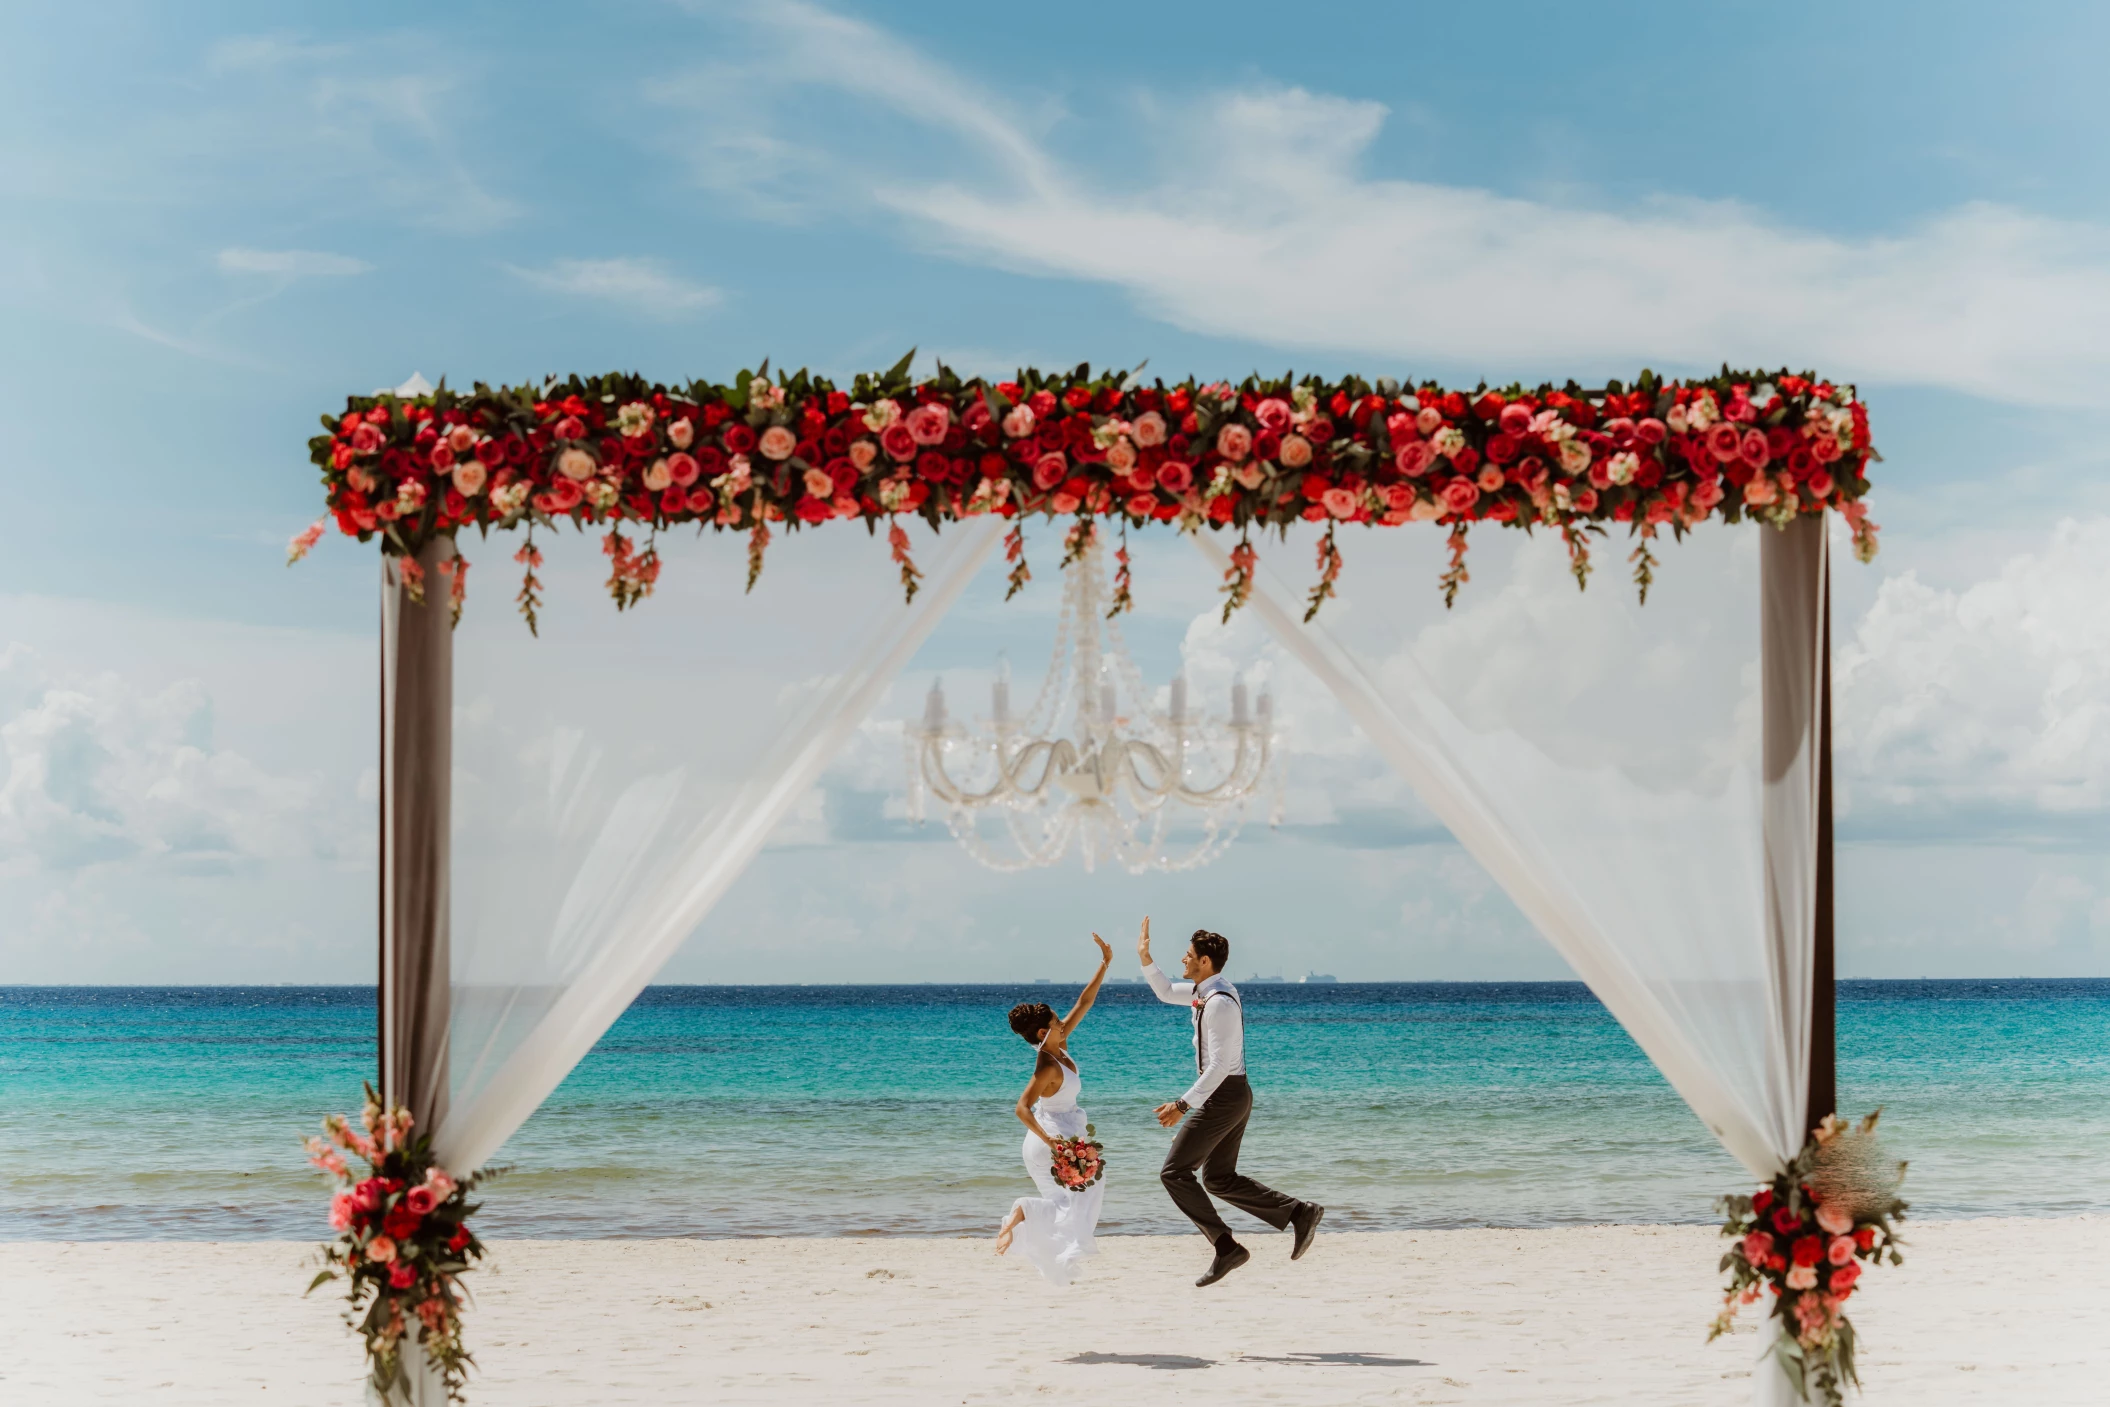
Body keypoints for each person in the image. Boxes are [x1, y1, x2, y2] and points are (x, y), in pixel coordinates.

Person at [1139, 916, 1323, 1287]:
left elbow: (1220, 1065)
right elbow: (1163, 991)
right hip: (1233, 1094)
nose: (1183, 960)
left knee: (1174, 1172)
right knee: (1219, 1179)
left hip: (1223, 1096)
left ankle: (1226, 1247)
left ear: (1205, 961)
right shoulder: (1206, 992)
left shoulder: (1220, 1001)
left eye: (1188, 955)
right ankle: (1299, 1213)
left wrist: (1182, 1104)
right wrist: (1145, 956)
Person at [994, 932, 1114, 1285]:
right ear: (1046, 1032)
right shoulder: (1046, 1064)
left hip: (1065, 1135)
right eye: (1059, 1020)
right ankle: (1020, 1213)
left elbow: (1085, 1001)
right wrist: (1053, 1144)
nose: (1065, 1021)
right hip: (1049, 1142)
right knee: (1079, 1197)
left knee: (1080, 1197)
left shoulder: (1059, 1045)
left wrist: (1105, 963)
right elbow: (1022, 1108)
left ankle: (1023, 1217)